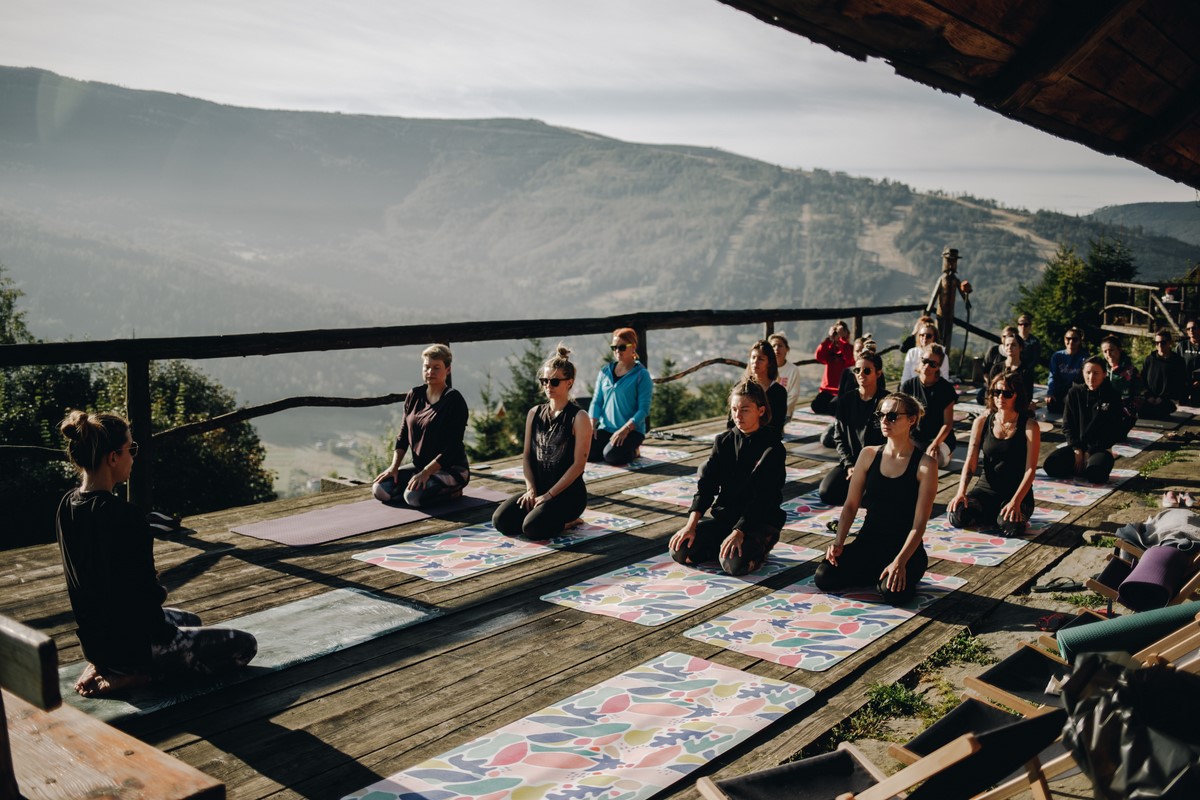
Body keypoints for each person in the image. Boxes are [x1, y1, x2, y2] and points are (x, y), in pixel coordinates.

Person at [56, 411, 257, 698]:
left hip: (96, 642)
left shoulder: (67, 505)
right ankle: (139, 674)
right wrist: (160, 598)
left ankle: (106, 665)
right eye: (130, 449)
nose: (133, 457)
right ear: (113, 458)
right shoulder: (126, 517)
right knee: (244, 646)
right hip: (136, 646)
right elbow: (145, 599)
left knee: (191, 620)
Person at [813, 393, 938, 605]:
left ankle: (885, 575)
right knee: (824, 576)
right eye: (881, 415)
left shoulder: (926, 465)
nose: (884, 421)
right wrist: (838, 542)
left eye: (892, 416)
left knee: (893, 594)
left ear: (912, 419)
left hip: (905, 550)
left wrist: (900, 562)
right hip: (868, 542)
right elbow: (850, 505)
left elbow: (919, 524)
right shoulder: (868, 454)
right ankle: (874, 574)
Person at [669, 379, 784, 576]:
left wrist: (740, 531)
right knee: (679, 551)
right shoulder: (723, 441)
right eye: (734, 409)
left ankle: (762, 544)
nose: (738, 416)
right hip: (726, 519)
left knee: (733, 565)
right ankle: (724, 545)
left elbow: (764, 498)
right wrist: (691, 525)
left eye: (745, 410)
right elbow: (707, 486)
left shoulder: (773, 448)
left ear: (761, 411)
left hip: (759, 521)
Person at [493, 345, 592, 539]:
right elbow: (527, 457)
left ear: (569, 382)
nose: (548, 386)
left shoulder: (579, 417)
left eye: (554, 381)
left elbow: (578, 465)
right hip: (539, 489)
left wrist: (549, 495)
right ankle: (541, 512)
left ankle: (570, 521)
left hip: (567, 495)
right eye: (544, 381)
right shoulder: (534, 413)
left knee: (532, 528)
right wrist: (531, 490)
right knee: (501, 521)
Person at [373, 344, 470, 506]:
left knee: (413, 497)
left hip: (452, 469)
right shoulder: (414, 395)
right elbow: (403, 435)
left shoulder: (454, 400)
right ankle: (415, 489)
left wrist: (426, 472)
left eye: (436, 367)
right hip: (419, 467)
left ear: (448, 370)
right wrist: (394, 467)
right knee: (380, 489)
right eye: (427, 367)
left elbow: (453, 447)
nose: (430, 372)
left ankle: (453, 492)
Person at [948, 371, 1040, 537]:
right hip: (986, 490)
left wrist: (1016, 502)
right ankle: (992, 514)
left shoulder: (1030, 426)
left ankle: (997, 516)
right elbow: (970, 462)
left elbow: (1030, 470)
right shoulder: (981, 422)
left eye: (1007, 393)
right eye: (996, 392)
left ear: (1017, 396)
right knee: (956, 515)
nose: (1000, 397)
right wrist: (961, 492)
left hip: (1016, 493)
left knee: (1010, 527)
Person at [820, 351, 889, 506]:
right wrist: (849, 465)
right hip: (852, 462)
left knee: (874, 499)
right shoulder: (846, 400)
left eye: (867, 371)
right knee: (827, 493)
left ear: (878, 373)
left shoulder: (887, 402)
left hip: (878, 464)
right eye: (857, 370)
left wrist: (867, 469)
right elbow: (839, 437)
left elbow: (891, 441)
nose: (860, 374)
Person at [1044, 357, 1126, 484]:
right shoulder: (1074, 393)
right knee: (1051, 465)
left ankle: (1088, 467)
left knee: (1096, 474)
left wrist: (1089, 451)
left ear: (1104, 374)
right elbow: (1067, 425)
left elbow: (1114, 430)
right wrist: (1076, 449)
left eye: (1096, 373)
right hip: (1077, 447)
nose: (1091, 377)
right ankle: (1078, 467)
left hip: (1100, 448)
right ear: (1082, 373)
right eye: (1088, 373)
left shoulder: (1112, 396)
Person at [588, 327, 653, 465]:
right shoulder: (605, 372)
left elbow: (643, 410)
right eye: (614, 347)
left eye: (622, 347)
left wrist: (625, 429)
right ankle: (608, 448)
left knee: (612, 457)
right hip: (606, 428)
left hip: (631, 431)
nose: (617, 351)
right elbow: (597, 401)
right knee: (586, 452)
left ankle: (635, 451)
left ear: (633, 347)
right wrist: (592, 424)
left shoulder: (642, 375)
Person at [900, 343, 957, 468]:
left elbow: (948, 423)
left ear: (938, 367)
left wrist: (935, 443)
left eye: (932, 364)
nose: (927, 366)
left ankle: (947, 453)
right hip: (916, 436)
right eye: (925, 361)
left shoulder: (946, 389)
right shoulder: (908, 386)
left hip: (940, 438)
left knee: (933, 461)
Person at [736, 339, 788, 440]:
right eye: (753, 357)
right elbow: (731, 423)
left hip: (767, 440)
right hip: (741, 439)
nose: (755, 362)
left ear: (769, 363)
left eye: (761, 359)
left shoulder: (779, 392)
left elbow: (777, 424)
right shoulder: (740, 388)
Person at [1141, 329, 1188, 420]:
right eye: (1157, 343)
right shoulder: (1149, 359)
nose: (1159, 345)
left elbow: (1179, 384)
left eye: (1163, 342)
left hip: (1168, 401)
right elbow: (1142, 380)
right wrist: (1148, 396)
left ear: (1170, 343)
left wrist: (1163, 398)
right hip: (1149, 399)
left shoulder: (1178, 361)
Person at [810, 322, 853, 417]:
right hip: (826, 391)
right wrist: (829, 339)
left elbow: (850, 359)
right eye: (836, 332)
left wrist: (842, 340)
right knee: (816, 406)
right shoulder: (829, 349)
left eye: (841, 332)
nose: (838, 335)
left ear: (847, 333)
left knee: (833, 408)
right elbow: (818, 356)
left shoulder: (850, 348)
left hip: (842, 391)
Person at [1099, 334, 1140, 433]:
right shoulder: (1101, 369)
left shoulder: (1131, 370)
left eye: (1111, 350)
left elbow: (1139, 395)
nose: (1108, 354)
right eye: (1105, 351)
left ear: (1119, 350)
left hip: (1125, 411)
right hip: (1104, 408)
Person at [1046, 327, 1086, 414]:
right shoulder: (1057, 356)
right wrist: (1050, 393)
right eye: (1068, 339)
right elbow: (1052, 376)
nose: (1071, 342)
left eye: (1074, 339)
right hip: (1059, 390)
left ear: (1079, 341)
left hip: (1075, 391)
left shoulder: (1084, 358)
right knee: (1051, 405)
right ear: (1064, 340)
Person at [1178, 319, 1200, 405]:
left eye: (1194, 328)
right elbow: (1174, 365)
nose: (1191, 330)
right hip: (1184, 385)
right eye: (1188, 328)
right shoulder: (1181, 346)